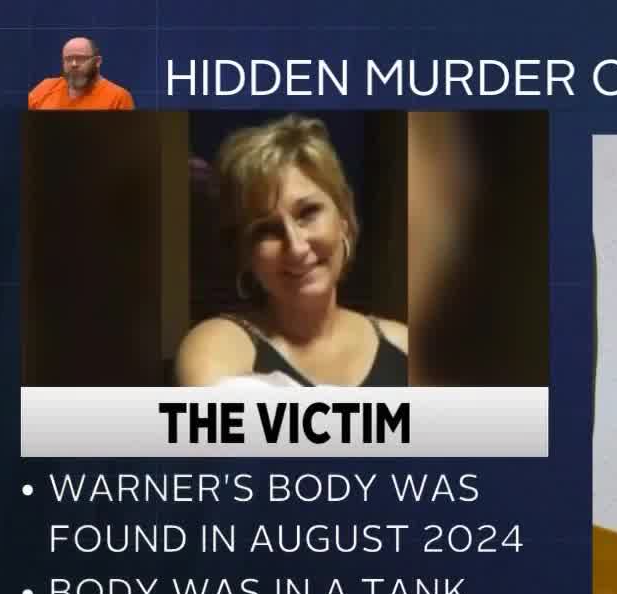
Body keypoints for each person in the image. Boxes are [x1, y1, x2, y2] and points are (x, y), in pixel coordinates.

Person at [175, 115, 408, 387]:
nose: (296, 247)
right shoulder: (216, 347)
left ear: (343, 221)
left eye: (308, 213)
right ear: (246, 253)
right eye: (267, 230)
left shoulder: (404, 343)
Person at [28, 37, 135, 110]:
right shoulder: (44, 89)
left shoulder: (118, 97)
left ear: (97, 61)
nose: (74, 64)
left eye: (81, 58)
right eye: (68, 59)